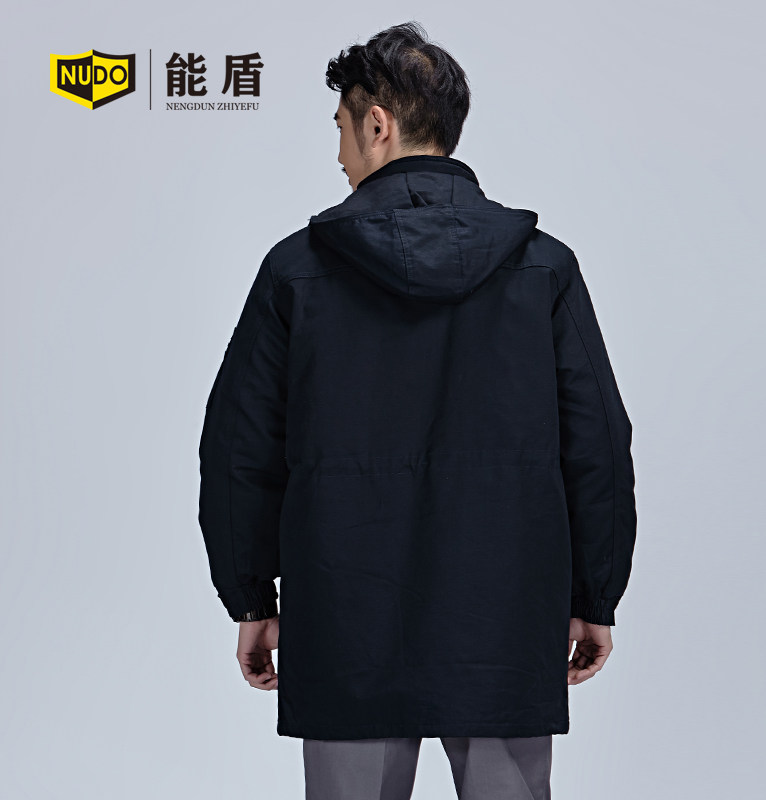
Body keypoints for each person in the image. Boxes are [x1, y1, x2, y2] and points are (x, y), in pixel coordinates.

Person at [198, 20, 637, 800]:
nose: (338, 154)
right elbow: (598, 442)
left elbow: (238, 448)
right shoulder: (544, 268)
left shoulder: (296, 271)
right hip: (505, 620)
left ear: (378, 124)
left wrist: (252, 597)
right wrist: (593, 596)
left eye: (340, 128)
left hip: (344, 618)